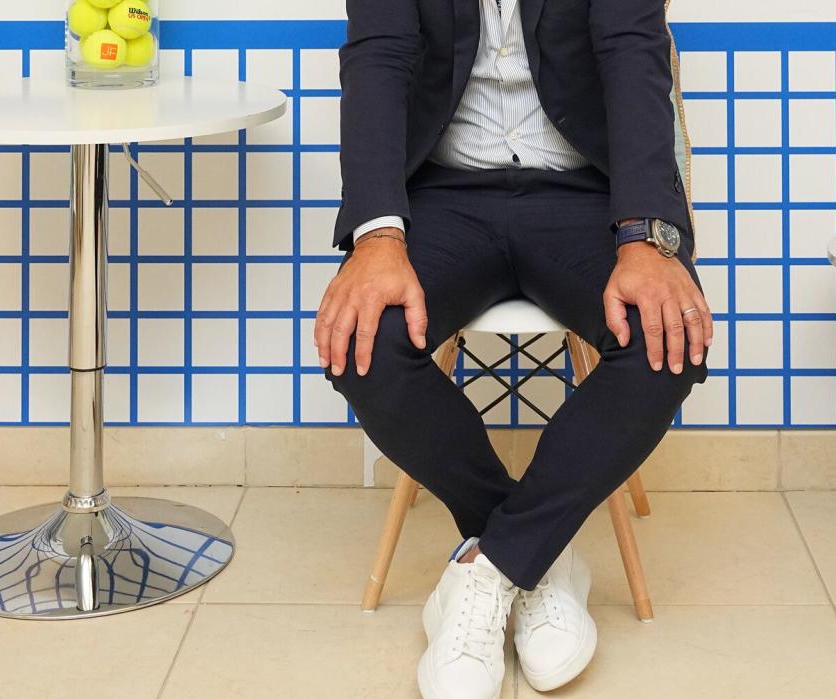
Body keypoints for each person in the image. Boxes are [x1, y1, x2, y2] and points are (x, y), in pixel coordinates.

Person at [315, 1, 712, 696]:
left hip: (588, 191)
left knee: (664, 341)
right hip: (441, 193)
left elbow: (631, 49)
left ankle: (490, 568)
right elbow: (378, 53)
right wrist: (378, 235)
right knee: (362, 343)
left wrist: (646, 234)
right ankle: (540, 561)